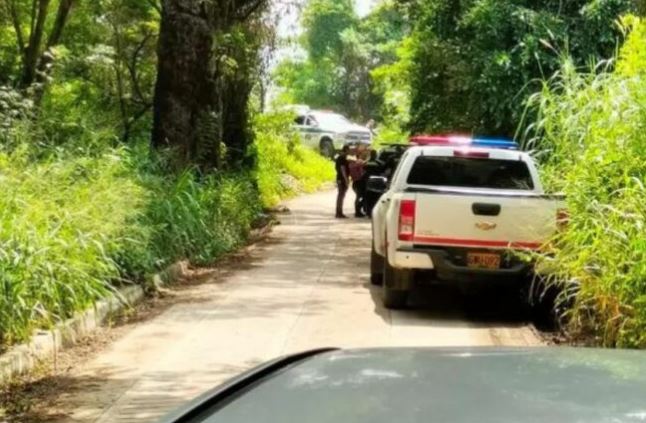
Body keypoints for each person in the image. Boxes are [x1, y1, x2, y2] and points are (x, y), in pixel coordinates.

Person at [349, 149, 367, 217]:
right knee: (361, 197)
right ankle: (357, 211)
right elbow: (364, 163)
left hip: (355, 182)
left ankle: (357, 211)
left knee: (358, 197)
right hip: (359, 182)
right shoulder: (358, 162)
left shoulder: (351, 164)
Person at [335, 145, 351, 218]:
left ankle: (339, 211)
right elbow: (342, 169)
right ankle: (339, 212)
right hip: (341, 179)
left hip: (340, 178)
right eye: (348, 150)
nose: (349, 152)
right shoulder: (342, 158)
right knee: (341, 195)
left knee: (341, 195)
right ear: (346, 150)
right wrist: (346, 179)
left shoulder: (340, 158)